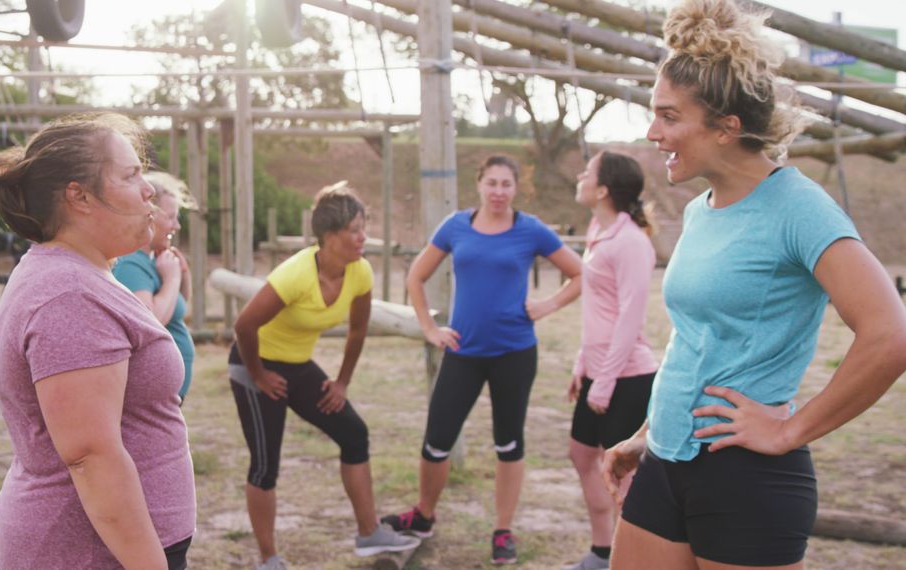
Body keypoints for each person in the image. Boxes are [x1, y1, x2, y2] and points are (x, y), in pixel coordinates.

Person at [602, 1, 906, 569]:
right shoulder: (700, 210)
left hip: (746, 477)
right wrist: (649, 432)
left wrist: (791, 429)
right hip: (664, 464)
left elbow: (890, 335)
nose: (653, 132)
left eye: (669, 117)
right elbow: (696, 340)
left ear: (726, 128)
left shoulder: (800, 209)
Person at [0, 113, 196, 569]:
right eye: (131, 175)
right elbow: (90, 456)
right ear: (78, 197)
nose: (149, 192)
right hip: (89, 554)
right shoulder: (69, 296)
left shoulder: (81, 274)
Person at [382, 155, 583, 565]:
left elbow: (579, 274)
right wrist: (429, 328)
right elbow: (416, 277)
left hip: (514, 354)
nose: (498, 192)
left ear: (515, 189)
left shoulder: (530, 230)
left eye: (506, 184)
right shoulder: (456, 225)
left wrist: (547, 305)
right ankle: (423, 516)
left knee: (508, 444)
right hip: (463, 353)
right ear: (479, 185)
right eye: (491, 183)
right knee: (435, 442)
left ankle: (502, 530)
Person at [229, 182, 419, 570]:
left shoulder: (360, 271)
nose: (363, 237)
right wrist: (260, 375)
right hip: (254, 363)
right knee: (266, 464)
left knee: (353, 432)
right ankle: (269, 559)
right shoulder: (295, 275)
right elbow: (244, 326)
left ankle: (369, 532)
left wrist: (342, 381)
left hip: (296, 365)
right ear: (330, 237)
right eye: (355, 230)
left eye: (364, 227)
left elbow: (358, 331)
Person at [562, 150, 658, 570]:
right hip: (599, 373)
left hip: (628, 377)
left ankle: (631, 560)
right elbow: (597, 310)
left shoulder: (633, 242)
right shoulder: (598, 231)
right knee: (582, 456)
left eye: (589, 172)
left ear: (603, 188)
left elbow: (629, 317)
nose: (580, 176)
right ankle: (603, 553)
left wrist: (602, 382)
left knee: (622, 475)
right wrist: (582, 365)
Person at [113, 171, 199, 402]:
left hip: (167, 397)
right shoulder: (130, 263)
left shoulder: (151, 261)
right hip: (151, 399)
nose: (177, 226)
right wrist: (171, 279)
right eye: (171, 217)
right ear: (148, 215)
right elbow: (150, 322)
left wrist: (182, 275)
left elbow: (176, 308)